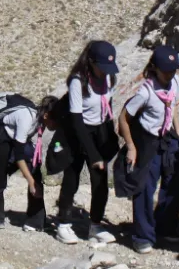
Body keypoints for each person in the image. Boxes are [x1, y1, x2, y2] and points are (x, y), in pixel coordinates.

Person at [115, 45, 179, 254]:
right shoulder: (145, 92)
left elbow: (173, 106)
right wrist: (131, 147)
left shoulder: (175, 81)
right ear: (154, 68)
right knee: (145, 186)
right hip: (148, 140)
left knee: (173, 182)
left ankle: (166, 226)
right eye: (166, 70)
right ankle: (142, 235)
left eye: (173, 70)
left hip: (168, 138)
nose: (170, 74)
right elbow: (123, 118)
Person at [54, 40, 121, 245]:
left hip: (99, 131)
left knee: (100, 182)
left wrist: (108, 139)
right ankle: (63, 224)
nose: (105, 71)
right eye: (102, 66)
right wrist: (93, 155)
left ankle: (95, 225)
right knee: (72, 178)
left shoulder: (108, 77)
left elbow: (107, 107)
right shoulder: (78, 81)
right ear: (90, 62)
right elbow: (76, 119)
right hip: (78, 132)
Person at [0, 95, 61, 232]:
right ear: (46, 115)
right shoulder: (26, 118)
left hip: (19, 142)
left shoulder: (41, 122)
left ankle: (36, 221)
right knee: (1, 178)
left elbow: (31, 148)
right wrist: (30, 181)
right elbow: (19, 155)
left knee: (36, 176)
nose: (57, 125)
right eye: (56, 121)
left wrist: (33, 177)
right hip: (3, 139)